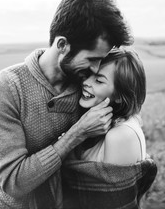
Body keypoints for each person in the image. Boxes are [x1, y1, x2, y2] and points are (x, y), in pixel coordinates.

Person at [0, 0, 132, 208]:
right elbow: (13, 182)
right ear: (62, 45)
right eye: (91, 59)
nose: (95, 69)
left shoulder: (87, 87)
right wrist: (77, 133)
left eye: (100, 60)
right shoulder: (6, 87)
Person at [61, 48, 157, 209]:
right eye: (88, 75)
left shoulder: (121, 134)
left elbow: (111, 202)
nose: (86, 82)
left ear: (119, 95)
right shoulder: (109, 124)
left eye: (99, 81)